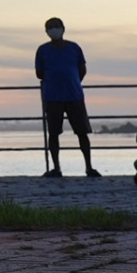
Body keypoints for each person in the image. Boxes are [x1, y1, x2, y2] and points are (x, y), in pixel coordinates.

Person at [35, 17, 99, 178]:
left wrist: (73, 82)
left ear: (63, 28)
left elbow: (82, 69)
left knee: (82, 132)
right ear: (46, 31)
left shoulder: (74, 48)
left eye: (56, 26)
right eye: (50, 27)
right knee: (54, 133)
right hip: (52, 96)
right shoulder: (42, 50)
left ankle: (89, 167)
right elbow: (39, 73)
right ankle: (56, 168)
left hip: (74, 95)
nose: (53, 29)